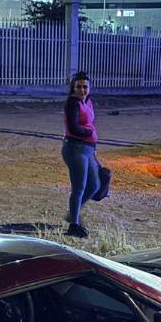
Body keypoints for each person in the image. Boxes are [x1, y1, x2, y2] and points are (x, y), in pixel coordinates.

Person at [61, 71, 101, 238]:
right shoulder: (73, 103)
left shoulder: (88, 101)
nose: (82, 90)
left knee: (95, 185)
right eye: (79, 87)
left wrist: (93, 144)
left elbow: (89, 123)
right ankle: (74, 226)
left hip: (87, 149)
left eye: (85, 87)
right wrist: (89, 133)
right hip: (75, 148)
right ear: (73, 87)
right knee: (79, 188)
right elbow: (73, 128)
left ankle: (73, 213)